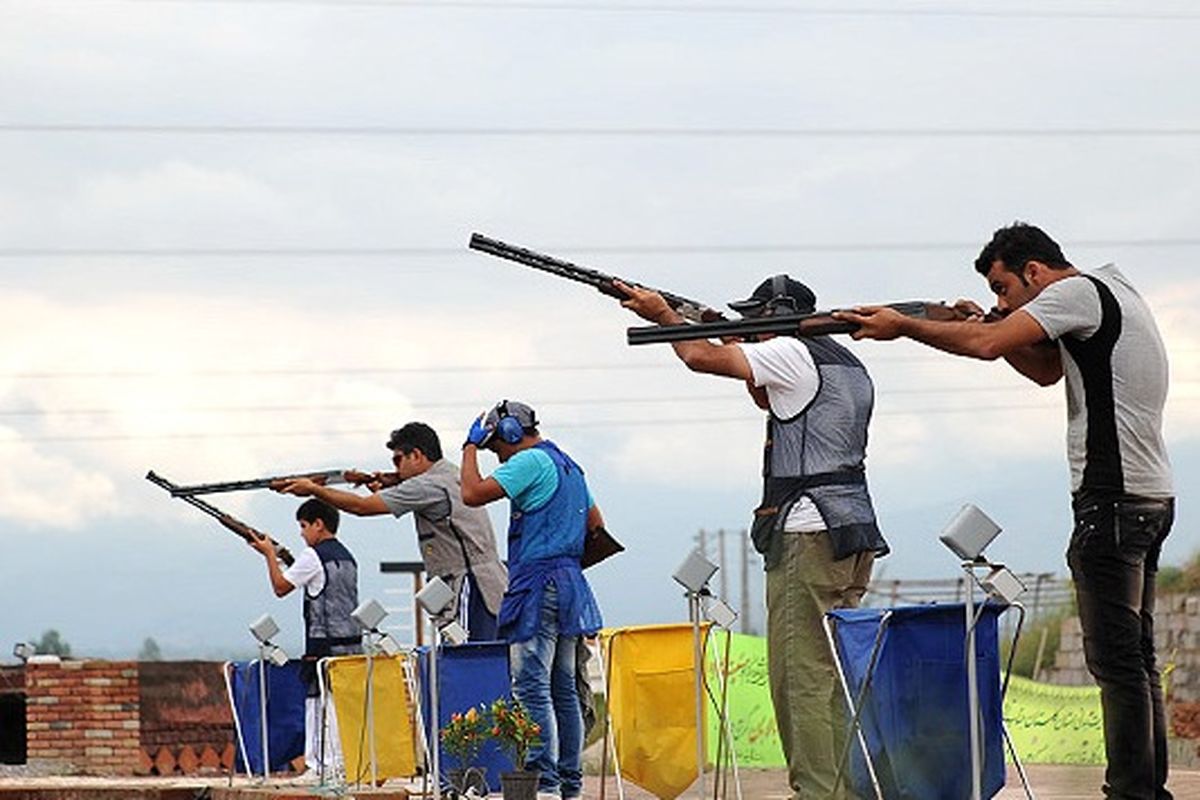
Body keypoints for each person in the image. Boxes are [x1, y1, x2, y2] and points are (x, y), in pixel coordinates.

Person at [838, 222, 1175, 800]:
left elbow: (988, 346)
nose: (1001, 302)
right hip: (1150, 496)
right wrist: (980, 323)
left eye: (1004, 289)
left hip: (1111, 503)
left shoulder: (1071, 292)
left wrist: (907, 327)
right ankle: (1147, 788)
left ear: (1036, 273)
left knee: (1117, 667)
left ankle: (1131, 794)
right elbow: (1044, 368)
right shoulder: (1114, 290)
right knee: (1136, 663)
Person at [619, 277, 888, 800]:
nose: (750, 330)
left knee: (799, 675)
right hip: (850, 531)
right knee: (830, 675)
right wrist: (731, 338)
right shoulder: (845, 362)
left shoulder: (789, 350)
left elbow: (698, 359)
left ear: (777, 315)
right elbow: (770, 398)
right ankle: (840, 789)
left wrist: (664, 317)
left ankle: (815, 792)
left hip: (808, 534)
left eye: (755, 319)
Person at [460, 400, 604, 800]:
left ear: (509, 433)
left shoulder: (528, 462)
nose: (498, 457)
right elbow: (597, 525)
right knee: (563, 688)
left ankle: (544, 784)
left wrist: (468, 448)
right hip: (570, 584)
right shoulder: (569, 464)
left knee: (530, 685)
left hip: (538, 584)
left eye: (496, 448)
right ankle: (568, 786)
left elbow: (471, 493)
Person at [278, 422, 507, 640]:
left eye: (399, 460)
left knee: (468, 657)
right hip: (485, 583)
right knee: (484, 659)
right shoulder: (449, 474)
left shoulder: (425, 485)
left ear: (416, 455)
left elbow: (361, 506)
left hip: (467, 585)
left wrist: (313, 489)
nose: (396, 468)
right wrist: (393, 483)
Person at [250, 498, 361, 781]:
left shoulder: (313, 557)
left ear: (318, 525)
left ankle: (321, 766)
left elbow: (280, 587)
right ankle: (340, 763)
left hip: (322, 643)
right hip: (351, 641)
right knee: (340, 706)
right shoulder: (348, 556)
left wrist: (267, 555)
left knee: (317, 705)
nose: (301, 533)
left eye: (304, 526)